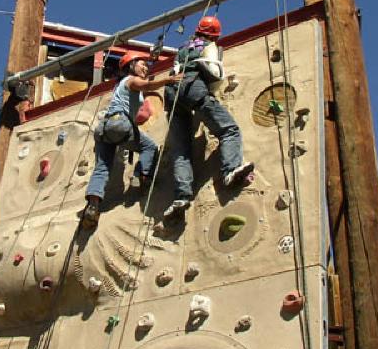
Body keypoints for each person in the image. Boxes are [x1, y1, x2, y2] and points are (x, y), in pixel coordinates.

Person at [163, 16, 254, 220]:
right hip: (193, 89)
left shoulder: (183, 48)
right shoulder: (209, 46)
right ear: (215, 34)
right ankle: (230, 170)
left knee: (181, 151)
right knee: (229, 129)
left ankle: (181, 196)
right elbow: (213, 71)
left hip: (172, 95)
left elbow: (176, 70)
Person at [82, 51, 183, 229]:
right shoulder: (131, 80)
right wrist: (167, 81)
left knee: (102, 167)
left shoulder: (119, 87)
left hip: (105, 128)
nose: (145, 67)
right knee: (149, 146)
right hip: (119, 123)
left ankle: (93, 206)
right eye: (141, 64)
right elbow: (146, 85)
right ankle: (140, 176)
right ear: (130, 66)